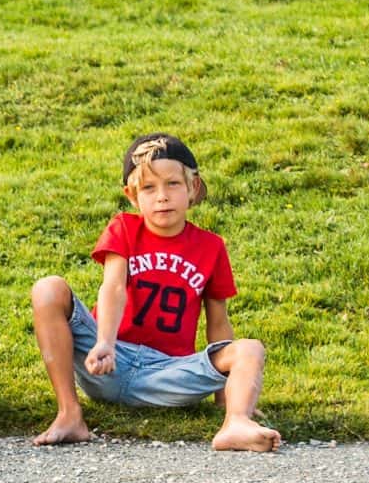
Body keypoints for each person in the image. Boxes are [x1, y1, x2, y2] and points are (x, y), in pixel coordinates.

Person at [27, 132, 279, 453]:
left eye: (173, 184)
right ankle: (69, 415)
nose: (162, 196)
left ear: (193, 188)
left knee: (250, 349)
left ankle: (236, 423)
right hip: (111, 358)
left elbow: (218, 322)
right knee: (49, 289)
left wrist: (224, 395)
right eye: (148, 187)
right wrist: (104, 342)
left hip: (169, 372)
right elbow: (114, 287)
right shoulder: (124, 228)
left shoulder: (211, 247)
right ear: (132, 196)